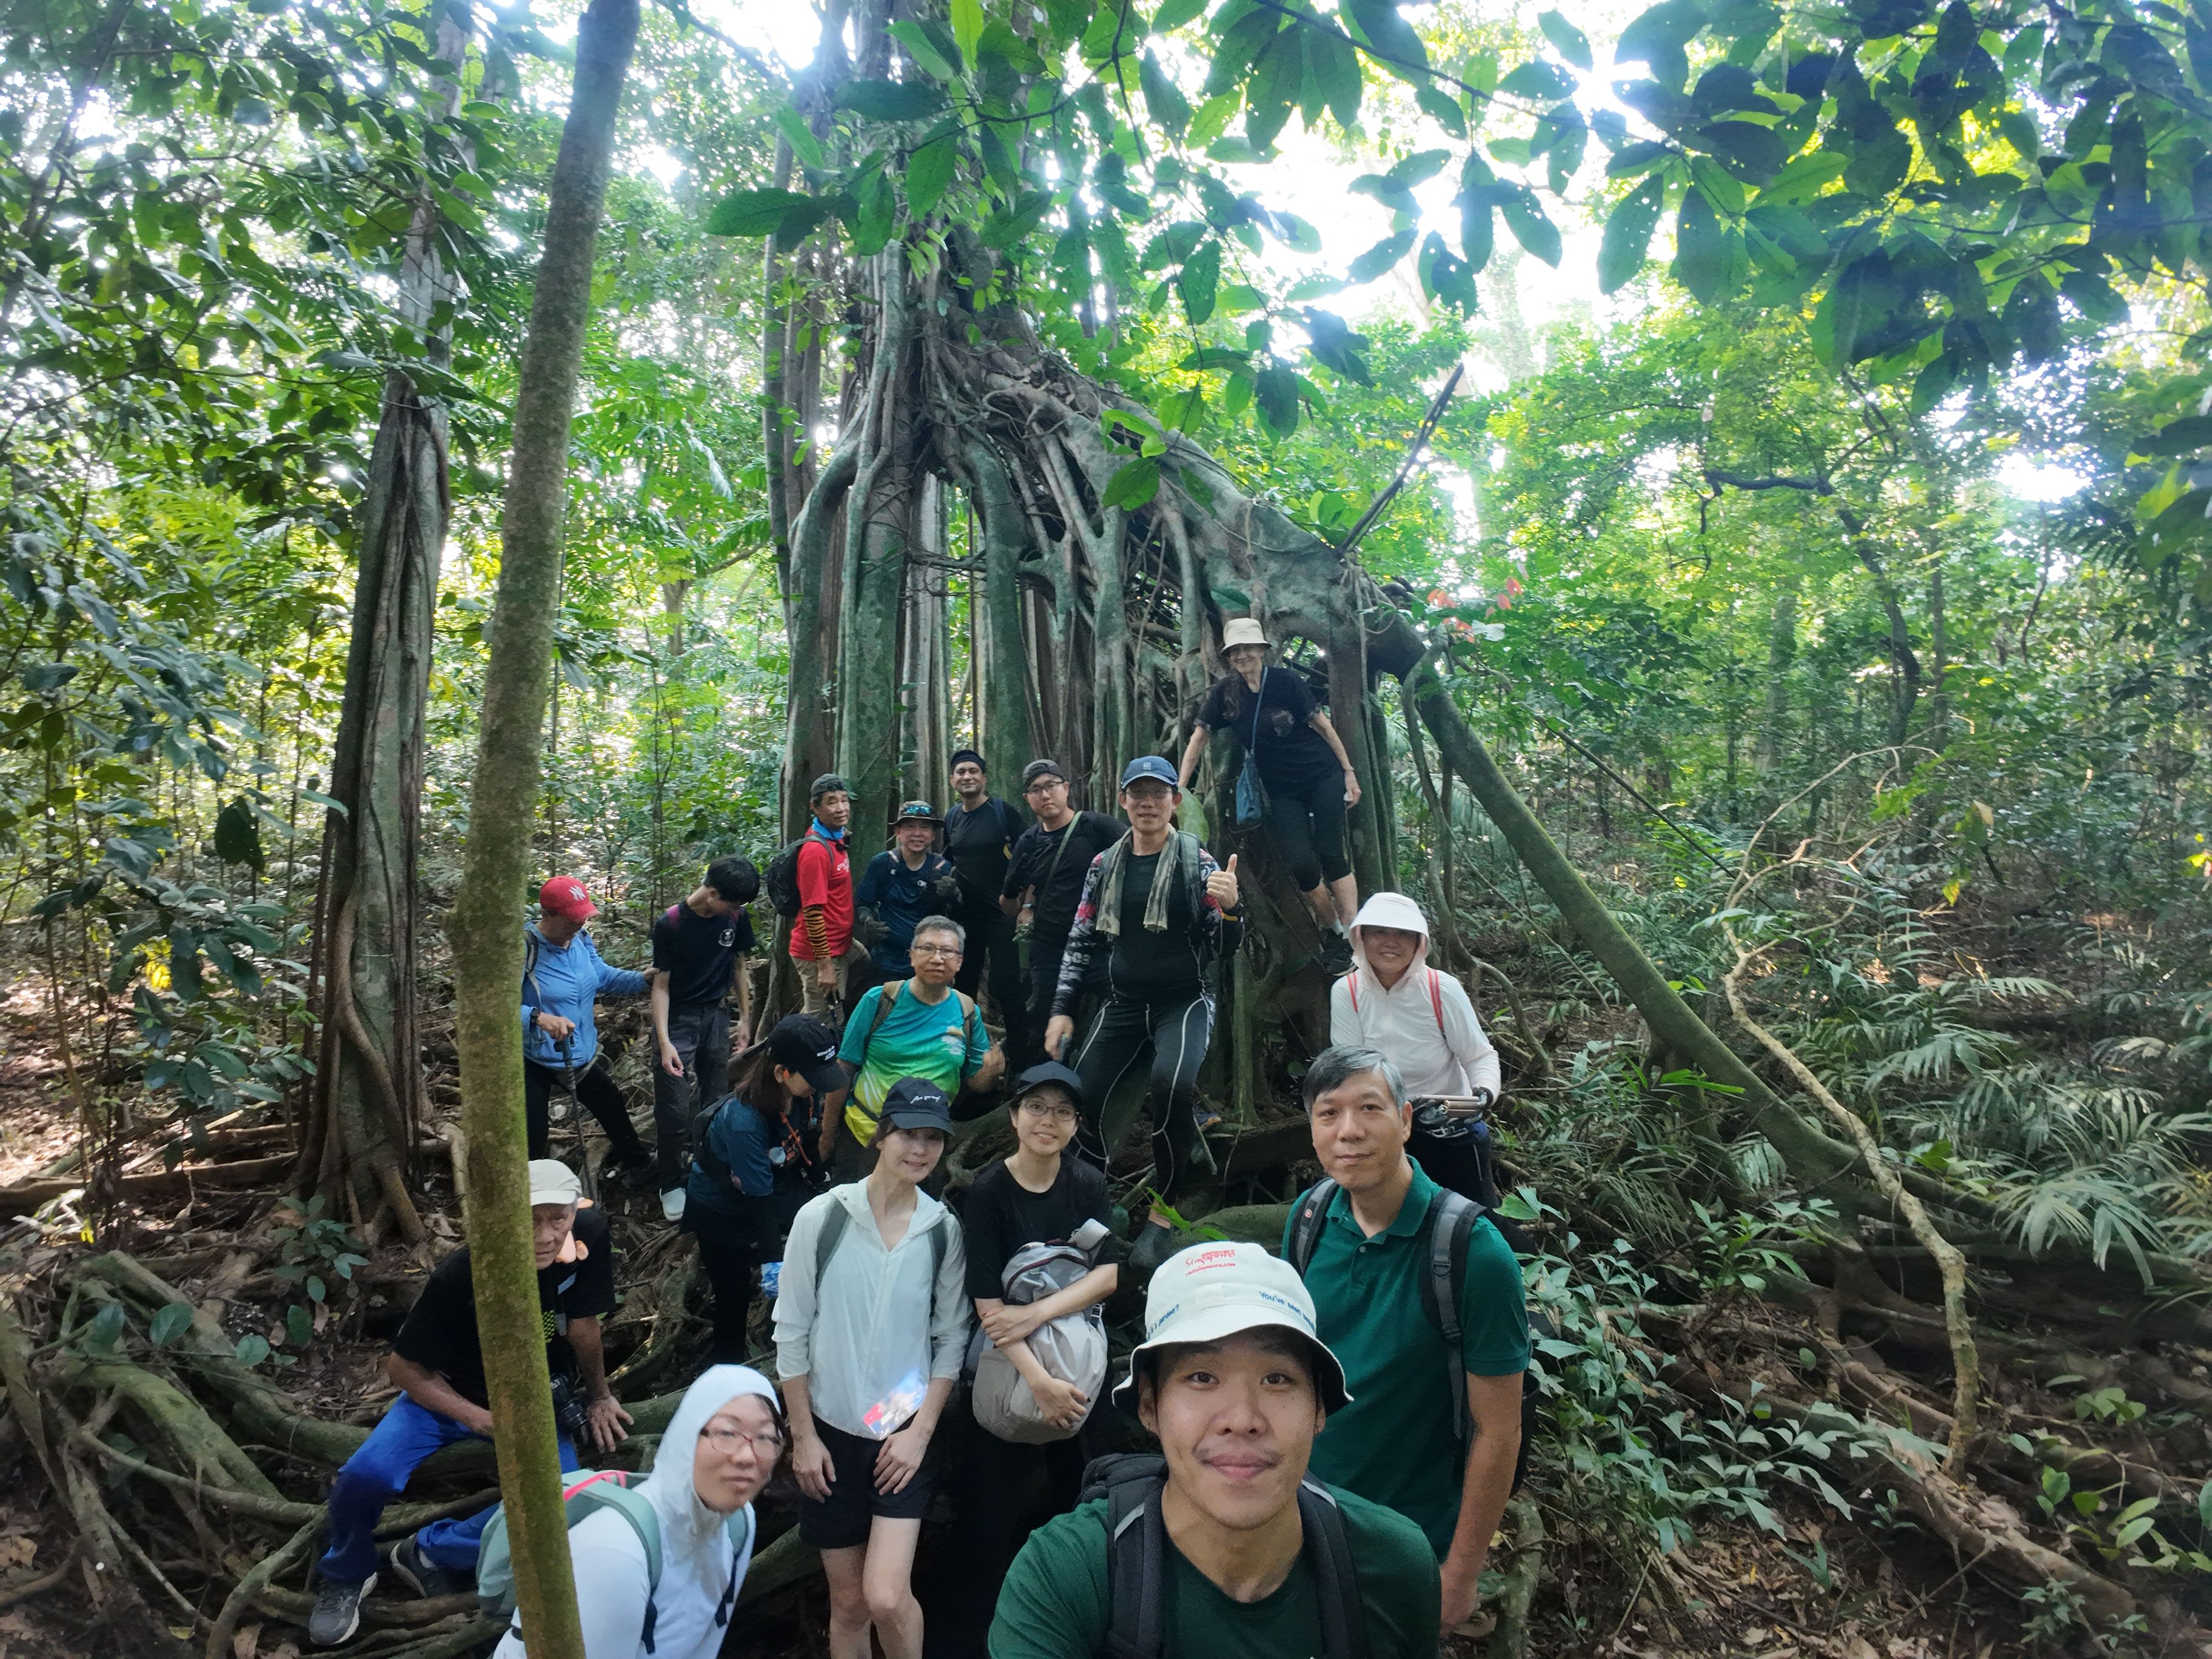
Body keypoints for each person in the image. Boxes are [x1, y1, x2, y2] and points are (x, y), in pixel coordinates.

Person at [988, 1241, 1441, 1659]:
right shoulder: (1069, 1575)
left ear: (1320, 1408)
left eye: (1277, 1379)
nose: (1242, 1419)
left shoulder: (1390, 1566)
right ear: (1150, 1406)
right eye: (1202, 1377)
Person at [309, 1162, 629, 1646]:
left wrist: (600, 1395)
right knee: (363, 1476)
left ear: (574, 1210)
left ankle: (430, 1552)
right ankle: (348, 1571)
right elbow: (404, 1370)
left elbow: (583, 1324)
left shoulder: (588, 1234)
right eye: (530, 1221)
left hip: (535, 1396)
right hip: (449, 1395)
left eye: (556, 1219)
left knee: (561, 1502)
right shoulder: (464, 1274)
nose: (545, 1235)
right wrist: (478, 1419)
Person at [1282, 1045, 1529, 1634]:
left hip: (1409, 1539)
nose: (1349, 1132)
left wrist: (1461, 1572)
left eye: (1369, 1108)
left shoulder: (1474, 1252)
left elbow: (1499, 1429)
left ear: (1406, 1120)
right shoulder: (1309, 1220)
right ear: (1312, 1130)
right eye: (1328, 1114)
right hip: (1300, 1520)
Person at [774, 1080, 971, 1659]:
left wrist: (919, 1435)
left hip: (902, 1431)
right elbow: (792, 1330)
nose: (921, 1149)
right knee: (850, 1604)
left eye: (933, 1138)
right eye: (910, 1133)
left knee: (886, 1595)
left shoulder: (942, 1230)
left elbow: (951, 1336)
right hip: (830, 1432)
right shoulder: (824, 1217)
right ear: (882, 1135)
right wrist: (803, 1437)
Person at [1042, 756, 1242, 1272]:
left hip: (1186, 1001)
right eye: (1138, 794)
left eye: (1159, 794)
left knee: (1170, 1088)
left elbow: (1222, 945)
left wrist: (1232, 908)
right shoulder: (1104, 864)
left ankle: (1163, 1214)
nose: (1148, 804)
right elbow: (1081, 938)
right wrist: (1062, 1010)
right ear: (1123, 801)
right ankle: (1092, 1203)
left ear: (1175, 802)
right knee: (1078, 1096)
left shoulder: (1196, 861)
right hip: (1125, 1003)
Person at [947, 1061, 1120, 1638]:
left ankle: (1086, 1626)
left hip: (1076, 1367)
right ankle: (976, 1638)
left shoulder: (1087, 1183)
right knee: (985, 1522)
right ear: (1015, 1115)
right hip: (1003, 1369)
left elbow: (1107, 1276)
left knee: (1089, 1499)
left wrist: (1039, 1313)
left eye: (1063, 1112)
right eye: (1037, 1108)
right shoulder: (990, 1192)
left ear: (1076, 1125)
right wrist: (1038, 1383)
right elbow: (987, 1306)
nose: (1049, 1121)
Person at [491, 1366, 781, 1659]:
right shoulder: (617, 1550)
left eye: (766, 1438)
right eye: (727, 1433)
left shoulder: (738, 1522)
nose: (747, 1457)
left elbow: (706, 1643)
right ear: (687, 1436)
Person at [1176, 617, 1362, 971]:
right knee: (1302, 864)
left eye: (1249, 648)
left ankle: (1352, 938)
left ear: (1263, 650)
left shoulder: (1286, 682)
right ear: (1229, 657)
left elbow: (1322, 725)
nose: (1243, 655)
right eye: (1236, 651)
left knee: (1330, 852)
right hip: (1282, 790)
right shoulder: (1226, 694)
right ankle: (1333, 930)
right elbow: (1198, 739)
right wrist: (1180, 788)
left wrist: (1349, 773)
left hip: (1323, 774)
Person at [684, 1015, 842, 1362]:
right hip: (721, 1208)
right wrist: (773, 1259)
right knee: (733, 1294)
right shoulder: (744, 1122)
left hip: (773, 1185)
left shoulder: (802, 1096)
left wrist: (821, 1184)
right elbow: (760, 1200)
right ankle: (728, 1367)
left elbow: (808, 1142)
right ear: (781, 1072)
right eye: (812, 1078)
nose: (819, 1085)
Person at [828, 914, 1002, 1179]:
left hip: (927, 1145)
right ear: (911, 956)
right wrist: (827, 1132)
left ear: (959, 962)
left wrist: (990, 1073)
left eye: (947, 951)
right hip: (866, 1136)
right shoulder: (881, 1000)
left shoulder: (967, 1011)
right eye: (927, 949)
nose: (937, 958)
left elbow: (977, 1084)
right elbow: (845, 1067)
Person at [521, 876, 654, 1181]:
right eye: (572, 920)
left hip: (578, 1054)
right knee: (533, 1132)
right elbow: (497, 1007)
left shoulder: (580, 940)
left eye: (582, 919)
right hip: (534, 1060)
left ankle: (641, 1170)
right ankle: (533, 1199)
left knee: (611, 1105)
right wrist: (538, 1017)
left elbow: (603, 977)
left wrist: (644, 978)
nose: (578, 925)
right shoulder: (524, 948)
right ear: (548, 915)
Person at [651, 856, 760, 1222]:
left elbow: (739, 966)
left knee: (716, 1098)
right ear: (712, 893)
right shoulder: (671, 924)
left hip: (715, 1015)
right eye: (732, 903)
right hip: (679, 1017)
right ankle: (670, 1180)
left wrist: (744, 1018)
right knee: (673, 1104)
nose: (737, 910)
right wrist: (665, 1041)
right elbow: (661, 985)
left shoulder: (735, 916)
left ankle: (710, 1167)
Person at [1000, 759, 1124, 1067]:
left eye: (1051, 786)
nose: (1045, 795)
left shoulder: (1097, 827)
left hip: (1103, 945)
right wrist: (1023, 911)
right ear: (1028, 799)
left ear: (1066, 789)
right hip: (1050, 948)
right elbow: (1008, 898)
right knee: (1045, 1019)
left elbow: (1142, 855)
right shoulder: (1029, 841)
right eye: (1036, 790)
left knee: (1122, 1008)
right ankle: (1039, 1088)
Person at [1328, 891, 1503, 1102]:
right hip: (1380, 1118)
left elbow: (1479, 1056)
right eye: (1380, 932)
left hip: (1447, 1116)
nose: (1391, 942)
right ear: (1362, 937)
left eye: (1403, 933)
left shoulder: (1441, 988)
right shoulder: (1347, 991)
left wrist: (1483, 1095)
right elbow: (1350, 1069)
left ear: (1418, 942)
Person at [944, 748, 1031, 1064]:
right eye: (960, 772)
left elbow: (1028, 856)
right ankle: (967, 1057)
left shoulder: (1001, 811)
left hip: (1001, 915)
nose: (967, 777)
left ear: (984, 778)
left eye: (973, 771)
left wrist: (1026, 905)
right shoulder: (953, 817)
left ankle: (1021, 1061)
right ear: (953, 780)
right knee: (963, 986)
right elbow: (946, 861)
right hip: (965, 918)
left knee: (1007, 985)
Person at [853, 800, 960, 983]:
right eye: (910, 826)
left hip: (931, 964)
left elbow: (957, 916)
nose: (917, 833)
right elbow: (863, 903)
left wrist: (954, 894)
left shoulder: (943, 869)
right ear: (898, 832)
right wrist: (868, 921)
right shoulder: (882, 864)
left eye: (925, 827)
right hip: (886, 963)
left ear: (933, 835)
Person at [792, 773, 868, 1022]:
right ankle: (790, 1057)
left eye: (844, 800)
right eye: (831, 802)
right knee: (821, 1022)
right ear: (815, 807)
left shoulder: (836, 837)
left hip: (843, 945)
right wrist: (824, 967)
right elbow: (813, 912)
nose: (841, 808)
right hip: (820, 953)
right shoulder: (816, 850)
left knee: (865, 963)